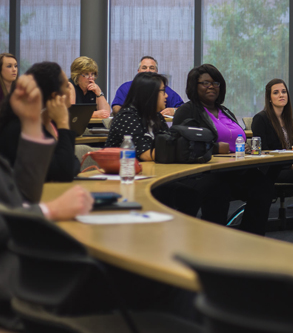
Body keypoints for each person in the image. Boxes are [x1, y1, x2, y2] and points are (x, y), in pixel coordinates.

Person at [0, 74, 94, 329]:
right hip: (18, 285)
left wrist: (32, 123)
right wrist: (50, 209)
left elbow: (24, 193)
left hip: (27, 270)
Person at [171, 64, 272, 236]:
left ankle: (251, 237)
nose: (211, 86)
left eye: (215, 83)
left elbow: (236, 137)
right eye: (205, 83)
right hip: (207, 173)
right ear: (194, 86)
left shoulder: (225, 111)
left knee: (263, 186)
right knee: (218, 189)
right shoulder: (188, 111)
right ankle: (212, 242)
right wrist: (216, 148)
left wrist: (245, 146)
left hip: (235, 170)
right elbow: (181, 144)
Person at [252, 78, 293, 246]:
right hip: (271, 171)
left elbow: (289, 149)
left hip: (288, 167)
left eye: (283, 91)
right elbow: (265, 154)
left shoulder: (287, 119)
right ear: (269, 98)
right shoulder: (261, 119)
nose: (281, 95)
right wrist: (292, 166)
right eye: (276, 92)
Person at [0, 62, 80, 182]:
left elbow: (72, 163)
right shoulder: (20, 128)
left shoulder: (46, 125)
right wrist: (63, 123)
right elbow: (64, 172)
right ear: (55, 96)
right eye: (67, 86)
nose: (71, 89)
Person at [105, 72, 169, 161]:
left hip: (148, 170)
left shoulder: (157, 116)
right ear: (150, 93)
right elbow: (145, 154)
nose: (166, 95)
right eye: (163, 91)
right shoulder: (127, 117)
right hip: (122, 171)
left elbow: (168, 144)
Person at [111, 56, 184, 117]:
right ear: (138, 71)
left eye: (151, 68)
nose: (148, 71)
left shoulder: (164, 89)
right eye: (144, 67)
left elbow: (183, 108)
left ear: (156, 71)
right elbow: (116, 108)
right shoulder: (126, 88)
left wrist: (174, 111)